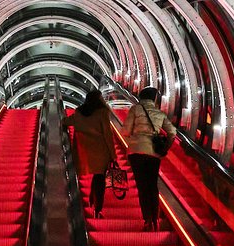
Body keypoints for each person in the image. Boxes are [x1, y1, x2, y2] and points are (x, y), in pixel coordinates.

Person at [124, 86, 177, 231]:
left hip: (137, 151)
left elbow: (125, 131)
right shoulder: (159, 113)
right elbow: (173, 132)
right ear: (154, 98)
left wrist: (134, 135)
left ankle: (147, 219)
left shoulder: (135, 110)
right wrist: (165, 147)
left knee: (142, 187)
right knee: (152, 186)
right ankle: (155, 219)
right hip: (154, 154)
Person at [62, 88, 116, 218]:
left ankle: (91, 200)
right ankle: (98, 209)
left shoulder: (79, 112)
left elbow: (66, 122)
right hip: (101, 151)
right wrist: (113, 155)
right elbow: (108, 135)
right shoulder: (102, 113)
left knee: (95, 176)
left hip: (84, 151)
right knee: (100, 179)